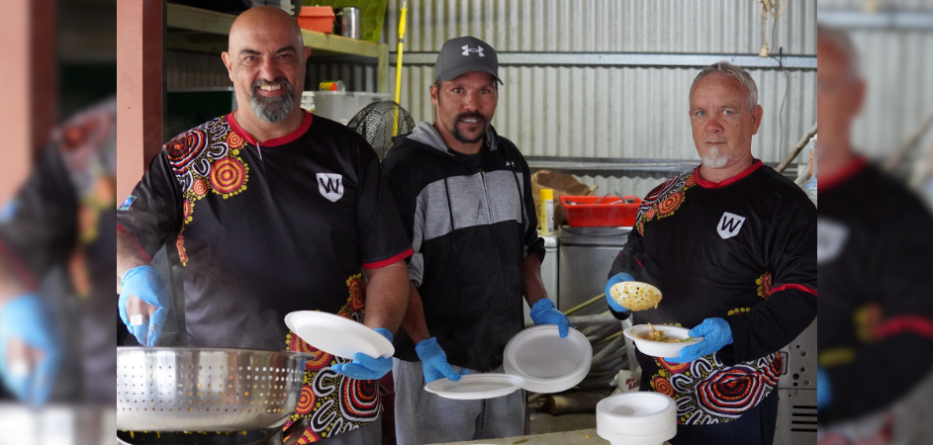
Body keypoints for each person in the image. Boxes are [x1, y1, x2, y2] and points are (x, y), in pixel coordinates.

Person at [116, 7, 411, 444]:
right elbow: (122, 234)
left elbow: (387, 264)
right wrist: (133, 274)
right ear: (229, 64)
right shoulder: (185, 157)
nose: (269, 71)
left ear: (304, 58)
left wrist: (378, 331)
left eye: (284, 55)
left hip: (336, 400)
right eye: (251, 57)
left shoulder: (350, 154)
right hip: (222, 402)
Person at [603, 61, 817, 444]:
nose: (712, 125)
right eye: (701, 112)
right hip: (657, 397)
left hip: (734, 404)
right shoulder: (662, 198)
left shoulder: (786, 206)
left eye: (727, 111)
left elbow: (803, 294)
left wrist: (732, 333)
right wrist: (619, 281)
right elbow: (634, 251)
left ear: (755, 119)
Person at [381, 36, 571, 445]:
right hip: (436, 367)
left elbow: (525, 247)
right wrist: (425, 346)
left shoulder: (509, 159)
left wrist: (540, 303)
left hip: (505, 360)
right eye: (458, 90)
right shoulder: (405, 169)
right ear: (435, 94)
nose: (472, 104)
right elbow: (394, 273)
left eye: (484, 90)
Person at [815, 26, 933, 444]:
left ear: (857, 96)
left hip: (859, 421)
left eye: (825, 86)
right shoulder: (782, 204)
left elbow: (918, 331)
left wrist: (836, 389)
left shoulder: (896, 215)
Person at [0, 98, 117, 406]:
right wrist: (14, 301)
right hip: (88, 391)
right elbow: (12, 244)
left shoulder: (191, 149)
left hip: (189, 380)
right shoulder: (87, 140)